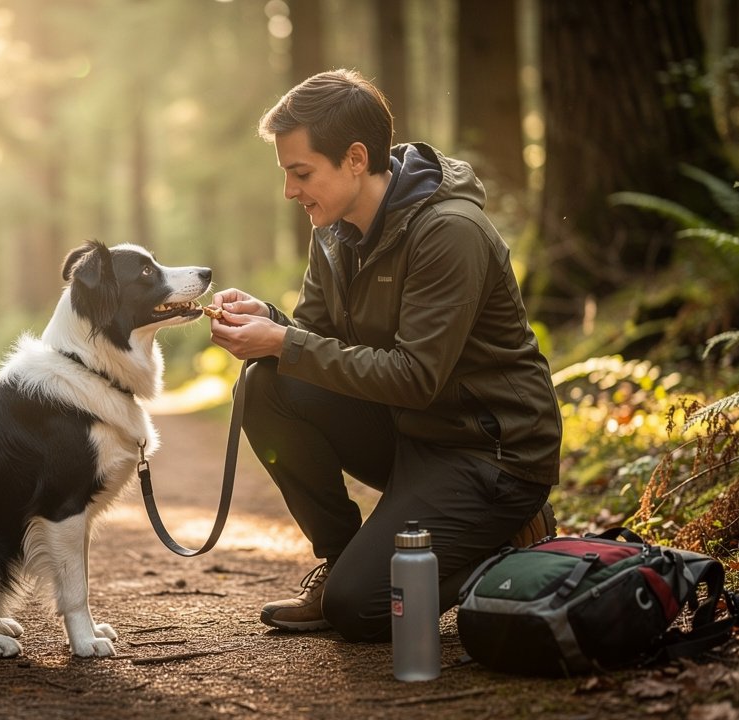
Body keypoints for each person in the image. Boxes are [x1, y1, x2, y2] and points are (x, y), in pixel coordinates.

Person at [207, 69, 562, 642]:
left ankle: (506, 542)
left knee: (362, 611)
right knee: (265, 385)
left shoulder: (449, 231)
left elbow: (417, 377)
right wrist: (270, 324)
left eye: (301, 173)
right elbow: (315, 340)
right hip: (410, 433)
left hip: (488, 455)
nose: (290, 192)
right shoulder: (332, 232)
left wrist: (286, 342)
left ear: (354, 158)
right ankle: (343, 560)